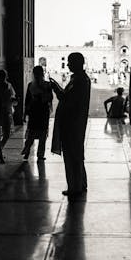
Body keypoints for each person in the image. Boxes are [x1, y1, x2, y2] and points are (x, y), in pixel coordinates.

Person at [50, 52, 91, 197]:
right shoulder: (81, 79)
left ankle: (74, 187)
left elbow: (67, 100)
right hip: (75, 122)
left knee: (72, 155)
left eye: (70, 62)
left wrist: (55, 88)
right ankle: (81, 183)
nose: (68, 65)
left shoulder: (79, 80)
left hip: (72, 123)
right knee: (77, 154)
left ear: (77, 63)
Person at [22, 65, 53, 160]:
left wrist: (25, 113)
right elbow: (50, 98)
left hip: (34, 111)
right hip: (43, 111)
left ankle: (27, 151)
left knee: (31, 132)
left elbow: (27, 101)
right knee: (42, 133)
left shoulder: (31, 85)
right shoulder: (47, 85)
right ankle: (40, 154)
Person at [0, 69, 17, 160]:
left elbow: (13, 97)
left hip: (5, 111)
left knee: (5, 134)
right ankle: (0, 154)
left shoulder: (8, 86)